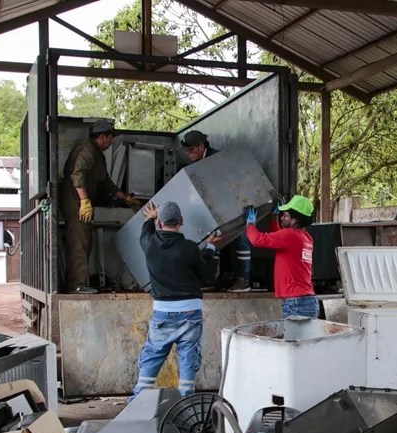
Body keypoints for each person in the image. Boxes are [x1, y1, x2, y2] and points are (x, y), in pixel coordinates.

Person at [130, 200, 224, 399]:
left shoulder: (149, 244)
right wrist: (210, 249)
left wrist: (150, 217)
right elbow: (207, 276)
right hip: (190, 312)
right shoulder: (189, 248)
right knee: (188, 357)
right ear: (181, 221)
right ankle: (185, 400)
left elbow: (145, 231)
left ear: (159, 224)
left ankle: (138, 399)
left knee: (153, 355)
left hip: (162, 313)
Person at [61, 119, 141, 294]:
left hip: (81, 202)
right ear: (102, 136)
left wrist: (125, 197)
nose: (112, 141)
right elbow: (78, 174)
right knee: (79, 242)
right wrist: (84, 201)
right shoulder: (87, 150)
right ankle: (77, 285)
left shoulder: (98, 154)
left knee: (85, 241)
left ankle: (81, 282)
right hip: (76, 202)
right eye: (111, 137)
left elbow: (105, 182)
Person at [180, 130, 251, 292]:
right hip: (217, 209)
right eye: (186, 150)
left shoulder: (218, 159)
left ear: (201, 146)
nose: (188, 153)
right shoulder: (195, 163)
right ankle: (211, 278)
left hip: (237, 204)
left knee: (243, 240)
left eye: (191, 149)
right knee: (215, 241)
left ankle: (244, 280)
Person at [245, 195, 317, 318]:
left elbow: (256, 240)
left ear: (294, 220)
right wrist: (274, 216)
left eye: (285, 216)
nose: (282, 218)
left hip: (296, 304)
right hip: (306, 301)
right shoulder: (305, 237)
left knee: (292, 337)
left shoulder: (290, 236)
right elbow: (279, 236)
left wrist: (250, 223)